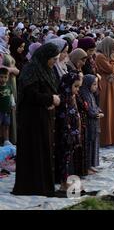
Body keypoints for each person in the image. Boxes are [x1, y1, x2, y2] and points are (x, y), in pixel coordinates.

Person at [13, 43, 61, 197]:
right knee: (33, 151)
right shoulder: (31, 70)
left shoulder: (45, 69)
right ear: (45, 57)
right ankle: (31, 186)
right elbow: (30, 95)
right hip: (31, 119)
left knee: (44, 150)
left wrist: (52, 101)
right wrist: (50, 99)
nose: (54, 62)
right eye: (53, 59)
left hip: (43, 116)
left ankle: (43, 184)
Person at [55, 72, 82, 191]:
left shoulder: (71, 97)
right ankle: (63, 183)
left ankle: (65, 182)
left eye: (78, 87)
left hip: (72, 134)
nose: (77, 89)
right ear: (67, 85)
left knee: (67, 159)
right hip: (65, 135)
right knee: (63, 159)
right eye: (75, 86)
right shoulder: (62, 99)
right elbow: (63, 119)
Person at [95, 37, 114, 146]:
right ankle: (105, 138)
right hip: (105, 87)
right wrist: (113, 60)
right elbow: (110, 69)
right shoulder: (100, 57)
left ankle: (111, 138)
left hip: (109, 87)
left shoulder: (105, 57)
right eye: (113, 50)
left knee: (111, 111)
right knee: (106, 110)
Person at [79, 74, 103, 174]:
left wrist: (99, 111)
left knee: (94, 144)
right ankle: (87, 166)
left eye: (96, 84)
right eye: (94, 84)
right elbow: (88, 109)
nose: (96, 86)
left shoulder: (91, 94)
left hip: (94, 123)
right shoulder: (84, 94)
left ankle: (92, 165)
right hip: (89, 123)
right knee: (89, 144)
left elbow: (96, 106)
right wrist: (97, 113)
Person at [0, 68, 14, 146]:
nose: (3, 79)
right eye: (1, 77)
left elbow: (11, 95)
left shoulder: (9, 86)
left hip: (7, 111)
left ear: (8, 77)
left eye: (5, 77)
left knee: (6, 125)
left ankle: (6, 140)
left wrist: (13, 104)